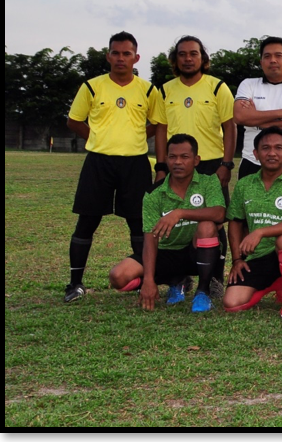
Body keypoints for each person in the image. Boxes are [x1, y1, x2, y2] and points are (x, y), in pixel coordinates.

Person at [63, 31, 166, 302]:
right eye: (116, 53)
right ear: (108, 56)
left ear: (136, 57)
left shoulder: (148, 90)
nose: (121, 58)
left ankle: (144, 280)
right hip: (98, 162)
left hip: (135, 163)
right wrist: (98, 138)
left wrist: (153, 156)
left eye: (126, 53)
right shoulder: (92, 86)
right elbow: (74, 121)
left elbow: (158, 125)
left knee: (139, 223)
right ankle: (75, 284)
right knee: (87, 221)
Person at [107, 134, 225, 313]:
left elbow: (219, 213)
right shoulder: (154, 193)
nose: (178, 162)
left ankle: (203, 292)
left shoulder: (208, 181)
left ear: (196, 160)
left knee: (207, 226)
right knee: (118, 276)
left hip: (196, 252)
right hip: (167, 253)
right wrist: (148, 280)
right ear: (166, 159)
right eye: (172, 157)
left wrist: (180, 213)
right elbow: (150, 238)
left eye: (184, 157)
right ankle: (176, 281)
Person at [158, 35, 236, 293]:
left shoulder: (217, 87)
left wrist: (226, 164)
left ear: (203, 58)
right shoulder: (165, 90)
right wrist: (161, 166)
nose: (188, 59)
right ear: (175, 59)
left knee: (215, 222)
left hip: (211, 164)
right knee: (176, 221)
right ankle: (179, 278)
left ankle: (215, 278)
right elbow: (161, 129)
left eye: (194, 53)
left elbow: (230, 126)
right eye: (182, 54)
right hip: (177, 165)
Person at [223, 126, 282, 317]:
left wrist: (260, 232)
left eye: (278, 148)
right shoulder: (244, 184)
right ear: (255, 154)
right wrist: (237, 259)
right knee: (231, 304)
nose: (272, 153)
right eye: (265, 148)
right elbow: (235, 222)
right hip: (256, 256)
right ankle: (276, 282)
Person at [234, 36, 282, 184]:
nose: (273, 60)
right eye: (267, 56)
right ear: (261, 62)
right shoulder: (248, 84)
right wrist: (281, 113)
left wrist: (257, 120)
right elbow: (239, 116)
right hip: (252, 161)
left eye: (278, 55)